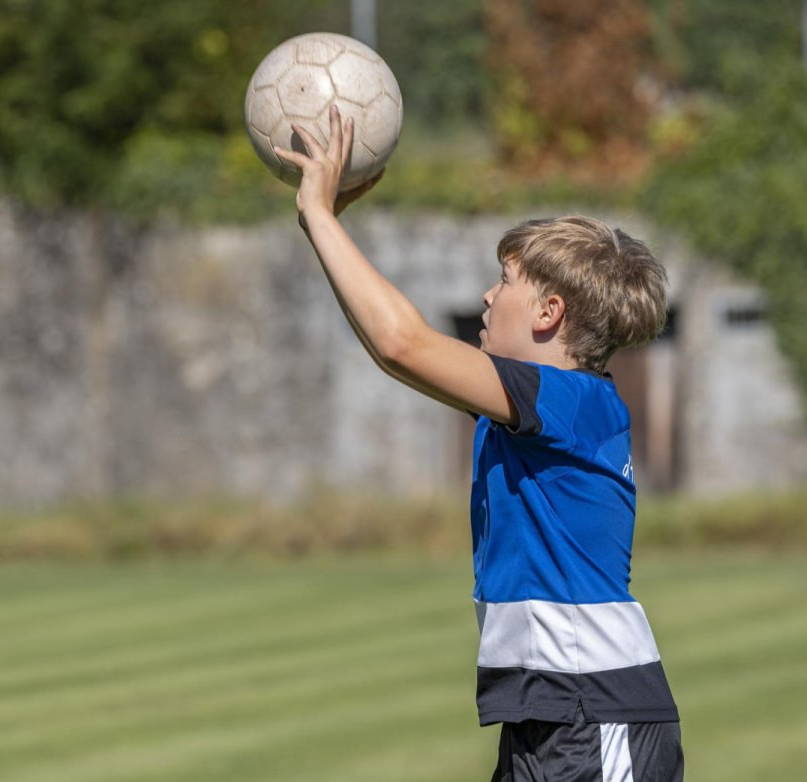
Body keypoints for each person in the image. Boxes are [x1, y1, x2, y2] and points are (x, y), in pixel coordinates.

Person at [274, 106, 683, 782]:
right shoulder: (531, 411)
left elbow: (403, 342)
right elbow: (393, 355)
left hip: (593, 717)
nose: (487, 298)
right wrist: (322, 228)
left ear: (550, 313)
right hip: (552, 717)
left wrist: (322, 215)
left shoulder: (574, 402)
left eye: (506, 282)